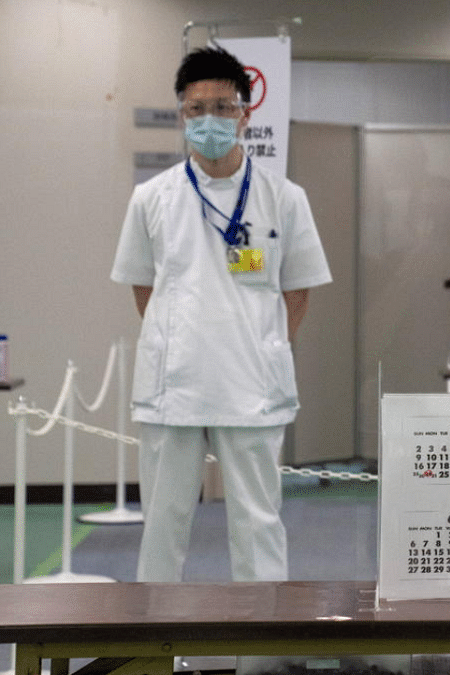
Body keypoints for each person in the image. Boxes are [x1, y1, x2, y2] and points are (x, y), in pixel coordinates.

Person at [110, 46, 332, 581]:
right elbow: (144, 286)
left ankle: (261, 662)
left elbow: (297, 291)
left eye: (223, 107)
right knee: (164, 523)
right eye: (196, 109)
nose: (209, 120)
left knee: (258, 524)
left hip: (252, 385)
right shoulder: (152, 198)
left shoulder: (284, 197)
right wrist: (176, 336)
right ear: (182, 115)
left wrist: (266, 346)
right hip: (173, 387)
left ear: (245, 114)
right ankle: (155, 653)